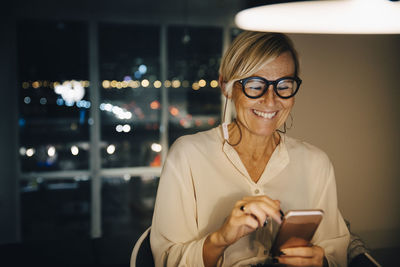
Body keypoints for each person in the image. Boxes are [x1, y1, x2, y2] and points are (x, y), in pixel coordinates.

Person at [150, 31, 350, 267]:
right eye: (255, 85)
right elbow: (167, 261)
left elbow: (336, 253)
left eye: (284, 85)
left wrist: (322, 261)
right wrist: (219, 239)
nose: (271, 99)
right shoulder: (188, 156)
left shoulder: (316, 163)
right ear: (226, 86)